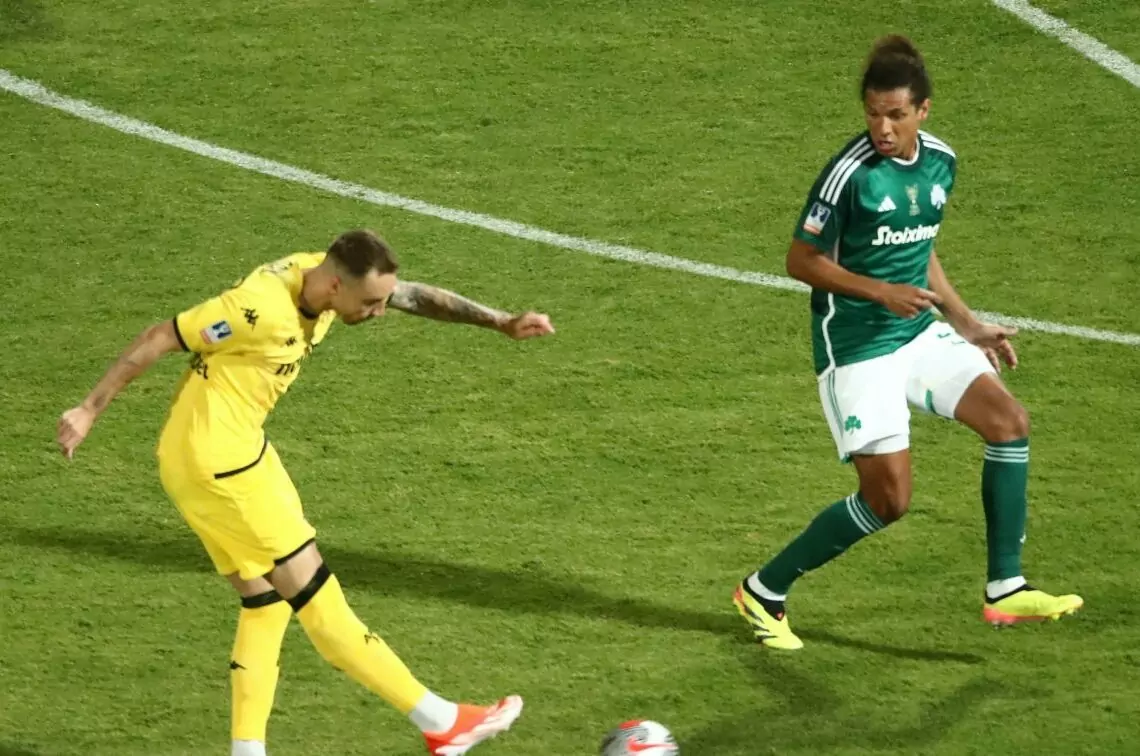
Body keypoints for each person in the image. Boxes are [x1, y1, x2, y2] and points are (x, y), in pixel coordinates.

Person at [57, 229, 555, 752]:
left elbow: (410, 296)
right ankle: (441, 721)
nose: (379, 312)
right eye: (370, 303)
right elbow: (161, 336)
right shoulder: (255, 310)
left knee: (266, 601)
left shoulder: (324, 278)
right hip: (220, 466)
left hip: (215, 454)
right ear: (336, 286)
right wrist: (88, 409)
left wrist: (500, 321)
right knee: (319, 599)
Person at [732, 35, 1082, 651]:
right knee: (889, 500)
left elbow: (921, 244)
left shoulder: (941, 161)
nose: (882, 128)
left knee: (1009, 423)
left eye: (895, 114)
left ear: (923, 110)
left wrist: (965, 321)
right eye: (873, 114)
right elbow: (800, 259)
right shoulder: (849, 175)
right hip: (857, 349)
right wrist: (879, 291)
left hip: (918, 333)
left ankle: (1005, 587)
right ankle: (764, 590)